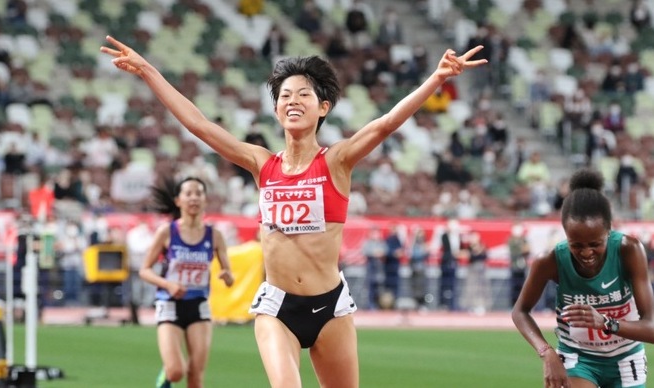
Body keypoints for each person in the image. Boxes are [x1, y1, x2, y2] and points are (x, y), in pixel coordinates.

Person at [101, 35, 486, 388]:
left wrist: (436, 79)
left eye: (304, 95)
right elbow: (199, 125)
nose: (293, 102)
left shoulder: (336, 161)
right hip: (277, 306)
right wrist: (148, 71)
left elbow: (384, 125)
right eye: (285, 96)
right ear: (276, 109)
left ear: (323, 107)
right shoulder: (260, 163)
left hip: (330, 306)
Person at [512, 168, 654, 388]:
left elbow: (651, 327)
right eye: (576, 245)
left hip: (626, 357)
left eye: (595, 244)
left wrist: (606, 322)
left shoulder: (629, 250)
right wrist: (546, 352)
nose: (586, 253)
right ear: (566, 235)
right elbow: (520, 311)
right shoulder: (550, 260)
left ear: (608, 231)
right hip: (577, 357)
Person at [140, 177, 235, 388]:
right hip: (169, 304)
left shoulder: (215, 235)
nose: (193, 198)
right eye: (188, 194)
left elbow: (229, 273)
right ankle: (166, 376)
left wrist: (228, 276)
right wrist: (169, 285)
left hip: (198, 306)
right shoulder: (167, 232)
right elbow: (144, 270)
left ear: (205, 200)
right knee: (176, 371)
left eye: (198, 193)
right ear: (178, 201)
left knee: (196, 376)